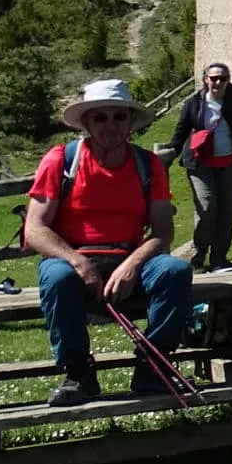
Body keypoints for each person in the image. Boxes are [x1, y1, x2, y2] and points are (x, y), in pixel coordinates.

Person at [26, 80, 190, 406]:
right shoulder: (61, 160)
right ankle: (78, 372)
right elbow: (35, 229)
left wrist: (132, 265)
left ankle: (153, 367)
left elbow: (163, 232)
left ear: (131, 122)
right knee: (57, 278)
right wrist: (78, 262)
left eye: (119, 117)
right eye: (100, 118)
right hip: (71, 259)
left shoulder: (149, 165)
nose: (110, 125)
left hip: (129, 259)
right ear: (86, 123)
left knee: (174, 270)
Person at [161, 62, 232, 269]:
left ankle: (219, 258)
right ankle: (200, 251)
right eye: (214, 78)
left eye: (223, 78)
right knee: (207, 207)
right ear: (205, 80)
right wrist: (171, 152)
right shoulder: (194, 103)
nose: (218, 82)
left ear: (228, 81)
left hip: (230, 164)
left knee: (227, 211)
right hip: (200, 164)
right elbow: (181, 130)